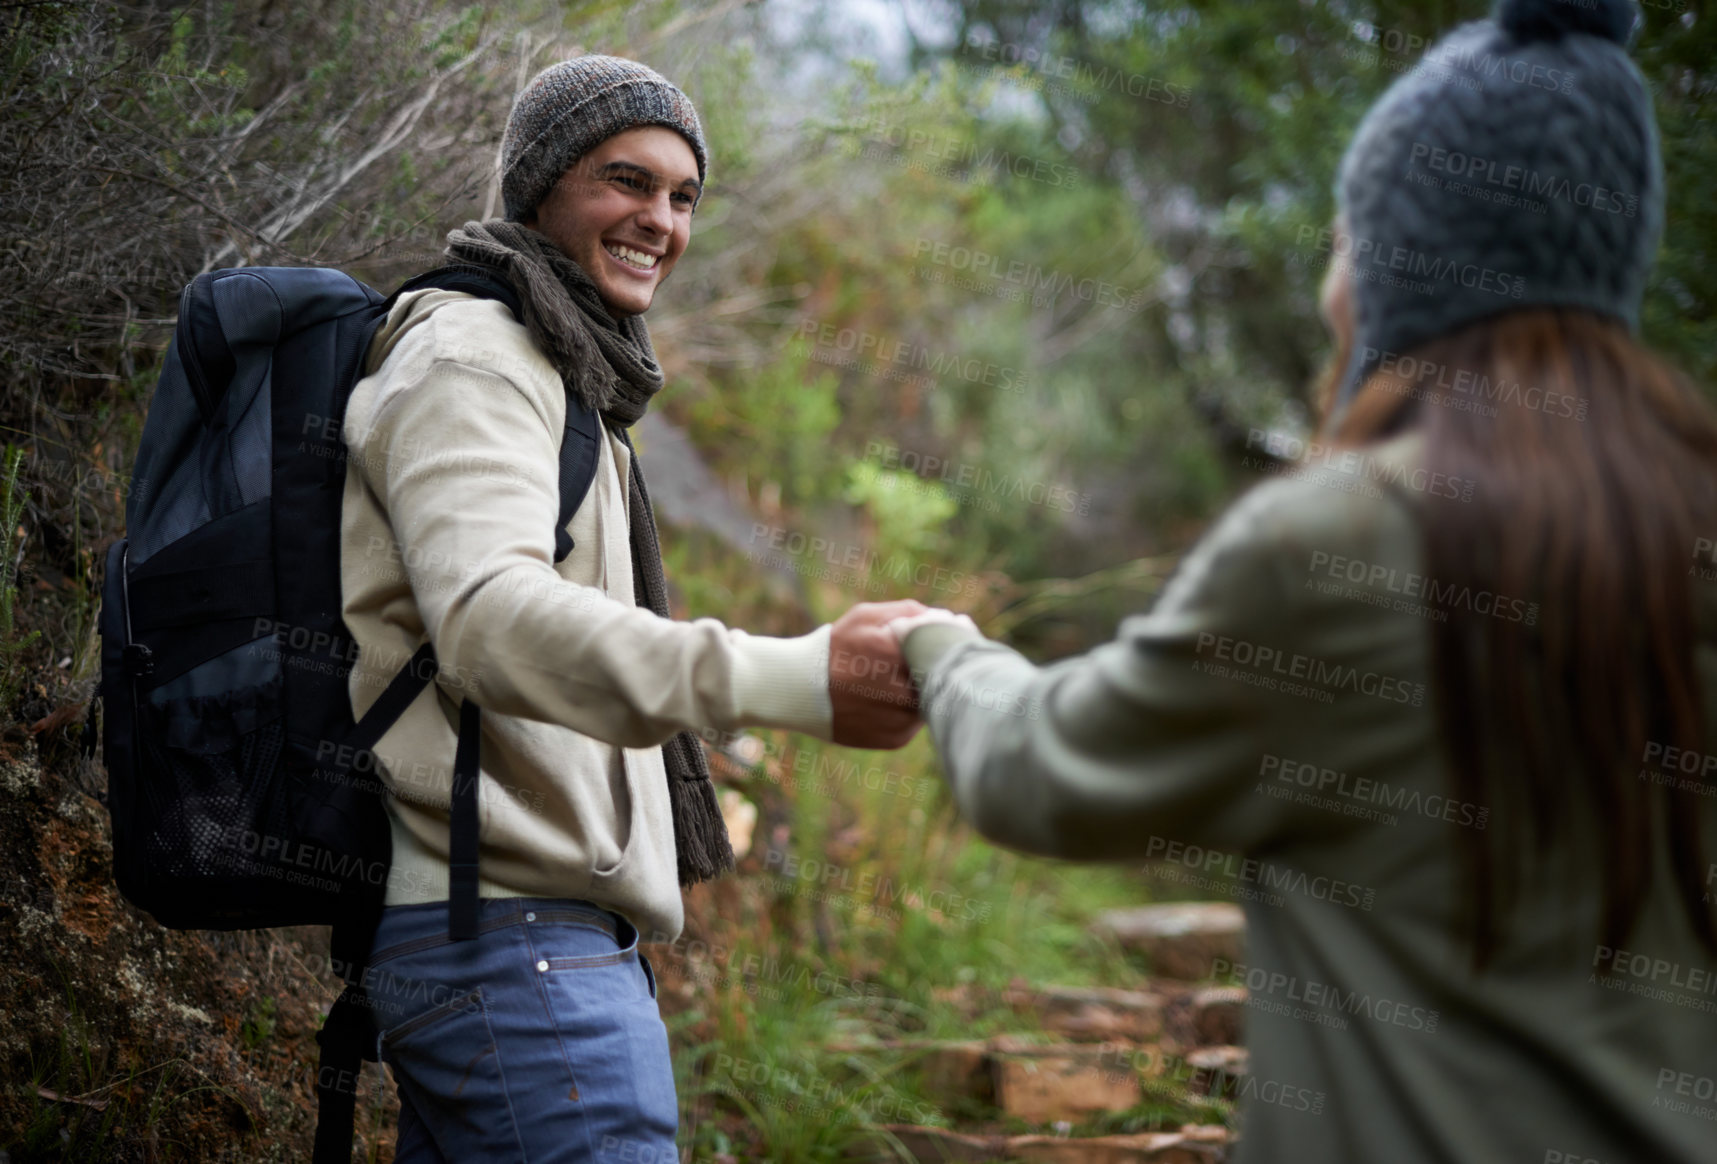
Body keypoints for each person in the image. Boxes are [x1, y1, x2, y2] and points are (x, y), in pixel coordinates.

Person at [890, 1, 1717, 1159]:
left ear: (1399, 267)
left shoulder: (1342, 542)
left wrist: (945, 651)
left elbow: (1040, 777)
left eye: (1343, 237)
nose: (1332, 278)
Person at [338, 55, 923, 1162]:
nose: (659, 219)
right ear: (541, 185)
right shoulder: (475, 357)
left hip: (536, 942)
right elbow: (490, 620)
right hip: (511, 943)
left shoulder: (569, 379)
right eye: (626, 180)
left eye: (683, 195)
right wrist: (788, 678)